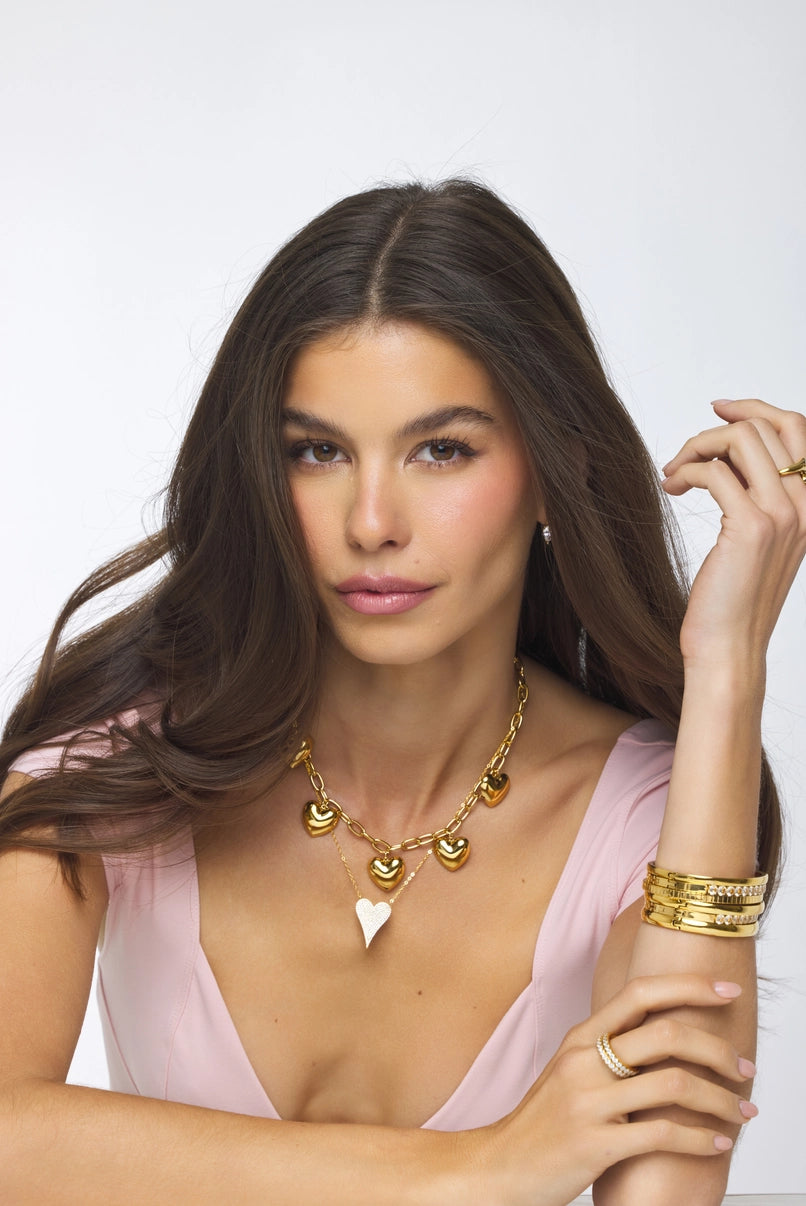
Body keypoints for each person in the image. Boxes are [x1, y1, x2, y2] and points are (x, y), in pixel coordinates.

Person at [0, 178, 803, 1206]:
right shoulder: (112, 765)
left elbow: (664, 1196)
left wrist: (727, 669)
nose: (371, 519)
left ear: (550, 472)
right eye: (317, 451)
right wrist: (479, 1169)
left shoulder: (641, 810)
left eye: (441, 450)